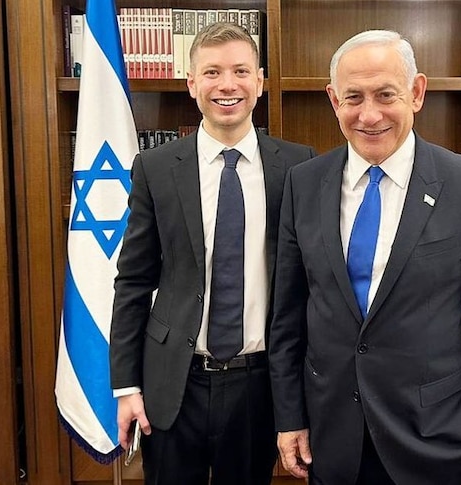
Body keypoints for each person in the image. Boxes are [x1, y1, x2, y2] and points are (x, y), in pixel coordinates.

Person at [268, 30, 461, 485]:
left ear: (416, 92)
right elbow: (288, 315)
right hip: (332, 436)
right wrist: (290, 417)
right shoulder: (303, 184)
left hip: (436, 437)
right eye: (353, 97)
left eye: (386, 94)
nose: (369, 115)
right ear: (333, 99)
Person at [109, 22, 316, 485]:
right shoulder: (156, 168)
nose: (227, 84)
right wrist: (127, 386)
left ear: (259, 82)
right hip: (173, 382)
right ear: (192, 84)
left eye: (241, 71)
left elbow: (311, 282)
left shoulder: (299, 166)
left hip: (259, 384)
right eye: (212, 72)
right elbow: (133, 281)